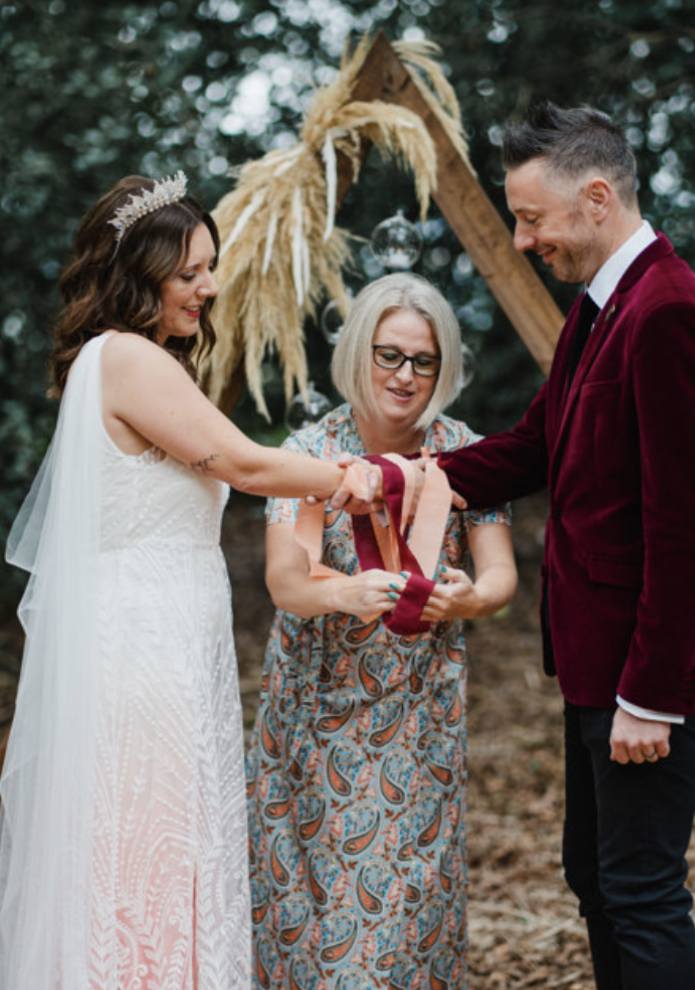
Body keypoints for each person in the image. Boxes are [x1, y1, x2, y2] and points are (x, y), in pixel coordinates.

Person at [0, 171, 377, 990]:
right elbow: (240, 461)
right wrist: (344, 472)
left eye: (210, 265)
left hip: (163, 648)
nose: (209, 286)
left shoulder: (124, 362)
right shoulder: (128, 358)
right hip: (140, 657)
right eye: (189, 273)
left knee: (162, 854)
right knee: (149, 857)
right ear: (137, 278)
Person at [433, 102, 695, 989]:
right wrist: (415, 476)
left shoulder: (670, 316)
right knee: (598, 878)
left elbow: (688, 529)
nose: (525, 241)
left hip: (647, 671)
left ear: (598, 197)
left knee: (642, 890)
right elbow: (538, 444)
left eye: (532, 219)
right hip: (597, 656)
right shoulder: (604, 308)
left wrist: (653, 695)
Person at [245, 272, 517, 989]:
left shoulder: (464, 450)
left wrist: (468, 600)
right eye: (389, 355)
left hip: (418, 715)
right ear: (359, 352)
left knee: (405, 916)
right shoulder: (309, 449)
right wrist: (345, 594)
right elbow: (285, 581)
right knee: (309, 919)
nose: (404, 375)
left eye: (423, 361)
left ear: (444, 367)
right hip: (312, 716)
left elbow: (499, 577)